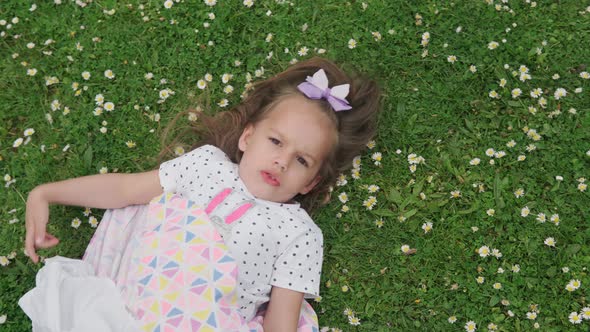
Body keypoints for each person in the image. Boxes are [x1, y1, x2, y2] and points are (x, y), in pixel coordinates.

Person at [24, 57, 380, 331]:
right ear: (247, 138)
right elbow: (125, 189)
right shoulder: (205, 166)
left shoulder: (299, 235)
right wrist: (46, 193)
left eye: (301, 160)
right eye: (275, 141)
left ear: (310, 183)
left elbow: (280, 322)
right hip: (127, 313)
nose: (282, 161)